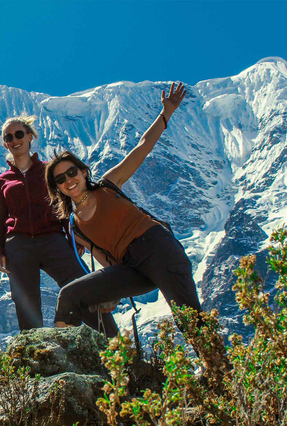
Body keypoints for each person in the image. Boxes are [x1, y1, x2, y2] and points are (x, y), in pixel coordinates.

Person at [45, 83, 202, 331]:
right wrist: (111, 292)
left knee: (191, 321)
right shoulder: (76, 228)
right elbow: (108, 264)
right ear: (57, 189)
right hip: (130, 267)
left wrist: (166, 113)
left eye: (72, 172)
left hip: (157, 248)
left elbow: (142, 147)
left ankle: (217, 368)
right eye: (60, 179)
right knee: (69, 296)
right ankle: (63, 356)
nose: (68, 180)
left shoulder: (109, 185)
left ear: (84, 172)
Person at [0, 116, 117, 335]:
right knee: (25, 302)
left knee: (83, 287)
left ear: (30, 137)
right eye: (8, 137)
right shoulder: (1, 180)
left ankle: (113, 343)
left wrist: (73, 239)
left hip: (52, 238)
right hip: (18, 244)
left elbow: (64, 206)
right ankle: (34, 357)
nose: (14, 140)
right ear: (5, 144)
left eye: (19, 134)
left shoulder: (49, 170)